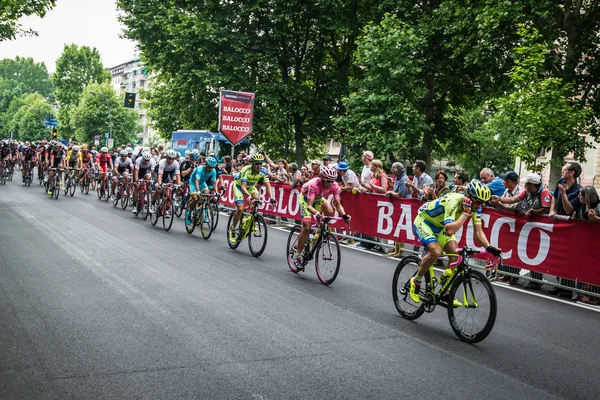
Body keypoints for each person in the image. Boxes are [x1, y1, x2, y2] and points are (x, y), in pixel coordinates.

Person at [409, 180, 502, 306]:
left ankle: (446, 292)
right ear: (468, 197)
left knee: (455, 256)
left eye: (482, 203)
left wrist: (489, 248)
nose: (480, 206)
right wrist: (465, 213)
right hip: (425, 222)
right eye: (478, 202)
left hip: (440, 226)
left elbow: (478, 232)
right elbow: (449, 230)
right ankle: (416, 281)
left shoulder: (475, 208)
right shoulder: (453, 201)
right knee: (436, 252)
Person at [490, 173, 552, 287]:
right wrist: (499, 198)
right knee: (528, 251)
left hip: (542, 229)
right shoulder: (527, 192)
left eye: (526, 184)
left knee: (537, 252)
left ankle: (536, 281)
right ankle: (530, 279)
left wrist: (533, 211)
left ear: (532, 185)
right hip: (529, 227)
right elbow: (514, 199)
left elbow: (547, 208)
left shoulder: (544, 192)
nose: (524, 186)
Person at [293, 165, 351, 267]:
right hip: (305, 199)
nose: (330, 183)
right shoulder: (314, 184)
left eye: (332, 181)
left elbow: (338, 205)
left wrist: (345, 215)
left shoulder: (334, 185)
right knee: (306, 227)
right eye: (328, 181)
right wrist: (317, 214)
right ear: (322, 179)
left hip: (318, 198)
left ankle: (319, 233)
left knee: (329, 210)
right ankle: (298, 255)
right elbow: (309, 206)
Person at [228, 154, 277, 241]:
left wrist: (271, 198)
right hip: (239, 186)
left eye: (260, 164)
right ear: (252, 164)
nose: (259, 166)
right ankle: (233, 229)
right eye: (257, 164)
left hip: (250, 186)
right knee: (240, 208)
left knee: (256, 199)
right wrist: (249, 196)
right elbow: (243, 187)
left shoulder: (264, 171)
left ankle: (251, 220)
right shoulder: (246, 170)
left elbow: (268, 185)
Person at [185, 155, 218, 225]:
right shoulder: (200, 169)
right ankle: (189, 213)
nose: (210, 169)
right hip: (194, 183)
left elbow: (214, 183)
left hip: (202, 183)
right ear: (205, 165)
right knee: (195, 198)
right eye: (209, 167)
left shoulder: (213, 171)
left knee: (207, 194)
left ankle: (205, 213)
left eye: (212, 167)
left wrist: (216, 192)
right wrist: (198, 191)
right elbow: (197, 181)